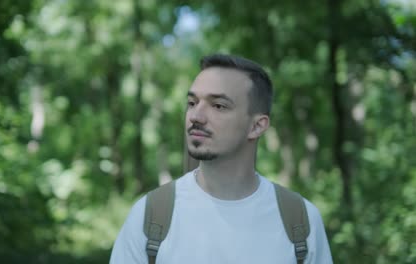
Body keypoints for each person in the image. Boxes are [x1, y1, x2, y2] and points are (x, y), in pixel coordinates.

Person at [110, 54, 333, 263]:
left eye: (218, 106)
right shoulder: (150, 217)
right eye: (192, 103)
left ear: (257, 126)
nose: (196, 116)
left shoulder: (300, 222)